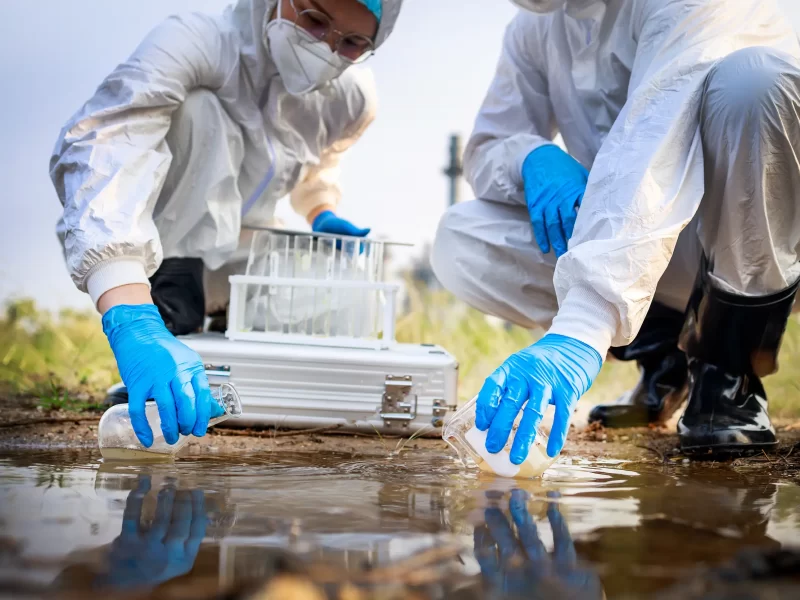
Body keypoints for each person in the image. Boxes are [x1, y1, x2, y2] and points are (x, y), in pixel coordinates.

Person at [431, 0, 800, 461]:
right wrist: (529, 157)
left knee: (754, 84)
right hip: (638, 243)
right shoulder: (535, 25)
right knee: (462, 237)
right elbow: (489, 144)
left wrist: (582, 327)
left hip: (754, 235)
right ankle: (664, 360)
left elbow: (654, 145)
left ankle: (728, 374)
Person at [50, 0, 403, 448]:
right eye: (315, 20)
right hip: (160, 254)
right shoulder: (196, 43)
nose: (326, 49)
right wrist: (128, 312)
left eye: (352, 43)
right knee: (199, 111)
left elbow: (321, 157)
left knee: (349, 301)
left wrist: (320, 211)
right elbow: (108, 142)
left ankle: (220, 345)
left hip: (245, 255)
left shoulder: (351, 97)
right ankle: (169, 323)